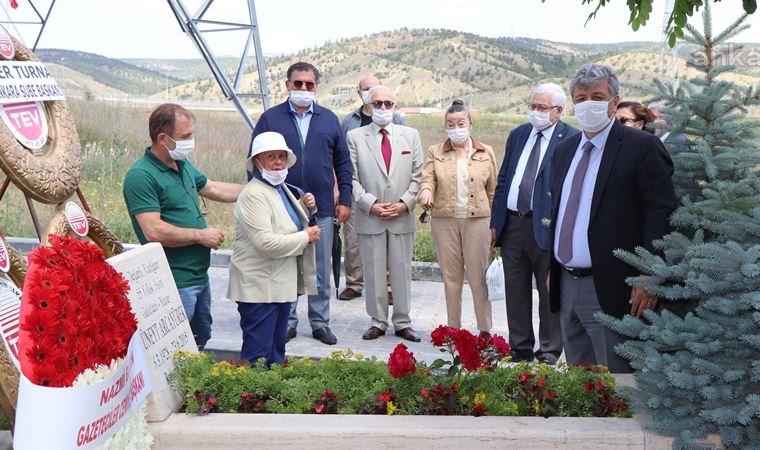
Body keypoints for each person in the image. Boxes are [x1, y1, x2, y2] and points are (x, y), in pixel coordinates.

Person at [548, 63, 677, 373]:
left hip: (614, 288)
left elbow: (662, 213)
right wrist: (553, 266)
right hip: (567, 285)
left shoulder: (642, 148)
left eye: (597, 96)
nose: (588, 104)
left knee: (618, 386)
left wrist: (649, 275)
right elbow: (562, 212)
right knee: (579, 385)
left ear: (614, 101)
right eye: (580, 98)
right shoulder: (565, 150)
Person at [123, 103, 244, 350]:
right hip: (174, 278)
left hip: (198, 275)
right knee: (173, 347)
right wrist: (200, 235)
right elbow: (153, 230)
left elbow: (213, 189)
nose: (191, 141)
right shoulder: (141, 175)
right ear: (162, 138)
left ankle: (192, 388)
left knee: (199, 338)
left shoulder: (182, 165)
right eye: (185, 136)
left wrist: (260, 190)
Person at [251, 62, 353, 346]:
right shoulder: (270, 119)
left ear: (316, 87)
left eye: (309, 84)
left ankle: (320, 323)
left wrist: (345, 198)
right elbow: (254, 161)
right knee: (287, 267)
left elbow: (343, 163)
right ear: (287, 85)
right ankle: (288, 321)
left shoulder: (329, 119)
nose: (304, 89)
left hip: (320, 209)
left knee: (320, 266)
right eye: (298, 84)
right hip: (282, 206)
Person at [490, 83, 579, 364]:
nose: (536, 113)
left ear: (559, 111)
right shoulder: (519, 134)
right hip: (514, 225)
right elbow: (504, 179)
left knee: (548, 290)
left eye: (542, 108)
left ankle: (549, 351)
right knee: (515, 290)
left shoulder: (571, 138)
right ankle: (520, 348)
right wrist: (496, 222)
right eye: (533, 106)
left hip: (547, 227)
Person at [228, 132, 320, 367]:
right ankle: (251, 400)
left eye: (282, 156)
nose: (278, 162)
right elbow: (265, 243)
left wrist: (303, 208)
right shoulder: (254, 194)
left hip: (277, 285)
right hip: (259, 288)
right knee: (258, 357)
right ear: (257, 161)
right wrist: (305, 236)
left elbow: (281, 222)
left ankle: (268, 400)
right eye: (271, 157)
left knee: (275, 352)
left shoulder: (282, 188)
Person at [347, 85, 424, 342]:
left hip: (401, 215)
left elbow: (418, 175)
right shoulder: (355, 137)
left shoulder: (410, 135)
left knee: (401, 271)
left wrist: (404, 203)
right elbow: (352, 178)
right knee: (374, 271)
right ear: (368, 106)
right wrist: (370, 203)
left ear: (395, 106)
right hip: (371, 216)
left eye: (387, 104)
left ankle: (402, 321)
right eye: (377, 104)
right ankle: (377, 321)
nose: (382, 108)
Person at [417, 100, 496, 336]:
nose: (456, 127)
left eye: (461, 123)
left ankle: (485, 330)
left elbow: (493, 190)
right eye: (451, 124)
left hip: (478, 220)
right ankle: (454, 329)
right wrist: (426, 191)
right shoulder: (435, 151)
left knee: (478, 277)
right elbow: (427, 178)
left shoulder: (486, 152)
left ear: (470, 124)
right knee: (451, 278)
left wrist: (496, 224)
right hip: (445, 220)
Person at [338, 75, 405, 302]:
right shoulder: (349, 122)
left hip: (387, 191)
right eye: (366, 89)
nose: (371, 93)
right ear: (359, 93)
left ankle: (387, 286)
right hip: (356, 190)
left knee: (386, 240)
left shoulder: (398, 120)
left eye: (374, 89)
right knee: (353, 240)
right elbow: (340, 157)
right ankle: (354, 283)